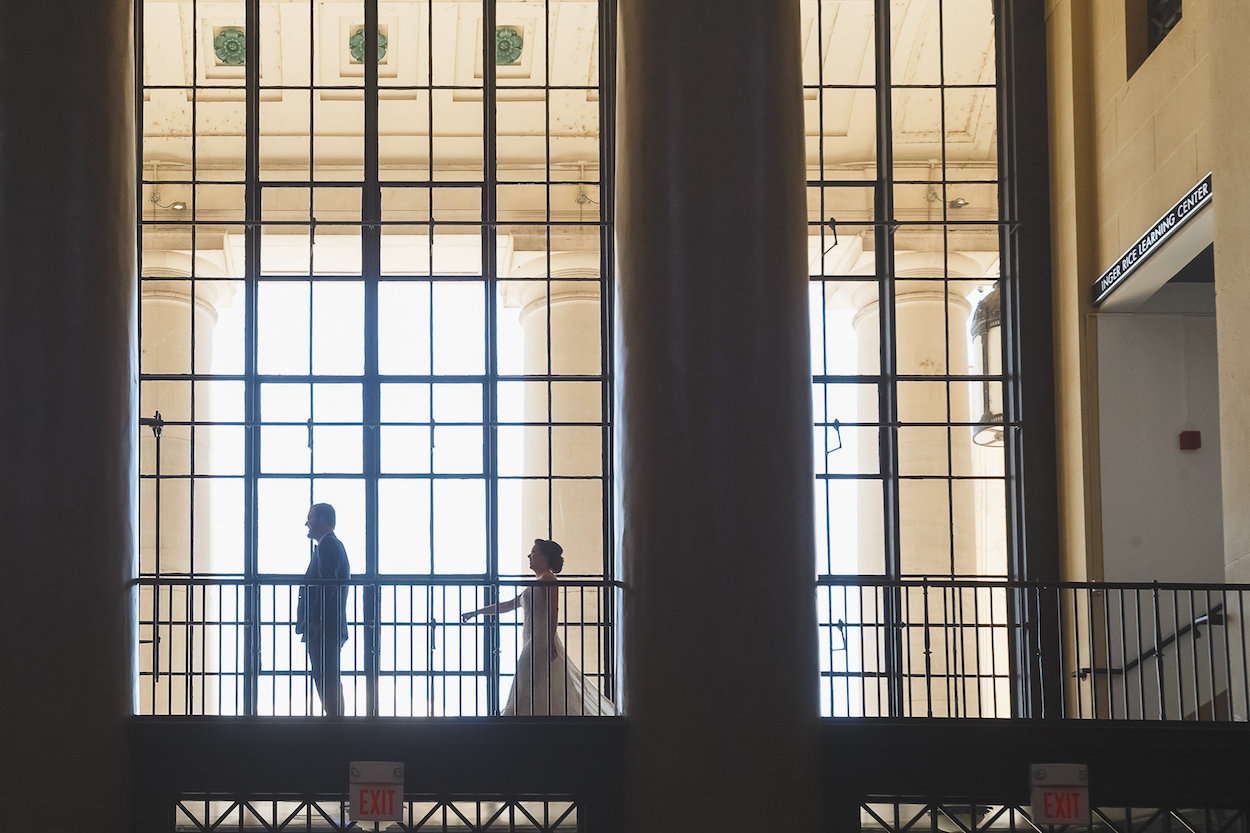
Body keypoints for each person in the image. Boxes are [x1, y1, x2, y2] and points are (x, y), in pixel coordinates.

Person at [461, 539, 615, 716]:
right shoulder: (538, 581)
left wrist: (549, 639)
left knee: (530, 681)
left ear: (544, 557)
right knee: (533, 682)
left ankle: (526, 718)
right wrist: (477, 612)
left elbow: (553, 608)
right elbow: (509, 604)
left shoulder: (548, 578)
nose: (529, 556)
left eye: (533, 552)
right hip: (533, 641)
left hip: (540, 641)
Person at [296, 503, 350, 716]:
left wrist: (317, 619)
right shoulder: (331, 546)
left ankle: (336, 724)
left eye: (311, 517)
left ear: (324, 520)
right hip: (328, 626)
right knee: (327, 675)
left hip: (324, 627)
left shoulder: (328, 547)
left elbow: (328, 587)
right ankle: (336, 721)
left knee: (325, 675)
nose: (307, 523)